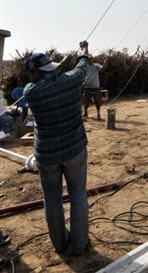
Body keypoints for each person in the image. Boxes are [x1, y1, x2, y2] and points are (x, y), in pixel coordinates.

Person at [23, 41, 90, 255]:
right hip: (74, 149)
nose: (28, 76)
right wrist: (82, 52)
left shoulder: (31, 92)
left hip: (47, 155)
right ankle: (79, 245)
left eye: (30, 72)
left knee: (52, 200)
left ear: (37, 72)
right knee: (78, 196)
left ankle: (60, 245)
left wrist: (54, 69)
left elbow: (48, 81)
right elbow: (81, 68)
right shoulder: (71, 81)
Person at [83, 54, 107, 120]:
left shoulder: (96, 65)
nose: (89, 60)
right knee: (86, 101)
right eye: (88, 59)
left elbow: (102, 68)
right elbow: (83, 75)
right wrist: (83, 82)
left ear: (92, 59)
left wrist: (105, 63)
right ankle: (85, 113)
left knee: (97, 101)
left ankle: (98, 113)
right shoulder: (85, 66)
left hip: (96, 87)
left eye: (91, 59)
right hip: (87, 86)